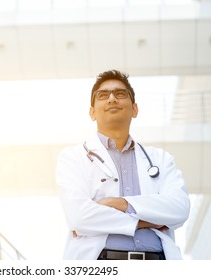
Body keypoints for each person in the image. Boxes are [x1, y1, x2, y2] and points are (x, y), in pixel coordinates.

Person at [56, 70, 190, 260]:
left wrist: (121, 203)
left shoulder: (160, 159)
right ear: (92, 112)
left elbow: (179, 208)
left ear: (135, 109)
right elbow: (80, 217)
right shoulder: (72, 158)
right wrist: (146, 221)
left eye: (120, 94)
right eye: (103, 95)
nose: (112, 99)